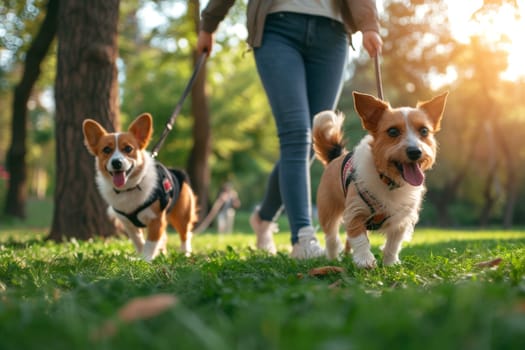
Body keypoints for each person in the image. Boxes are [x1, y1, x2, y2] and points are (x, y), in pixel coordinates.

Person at [197, 0, 383, 258]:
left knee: (315, 140)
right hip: (276, 28)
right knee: (296, 134)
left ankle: (263, 218)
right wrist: (208, 24)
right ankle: (302, 239)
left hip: (333, 33)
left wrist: (369, 24)